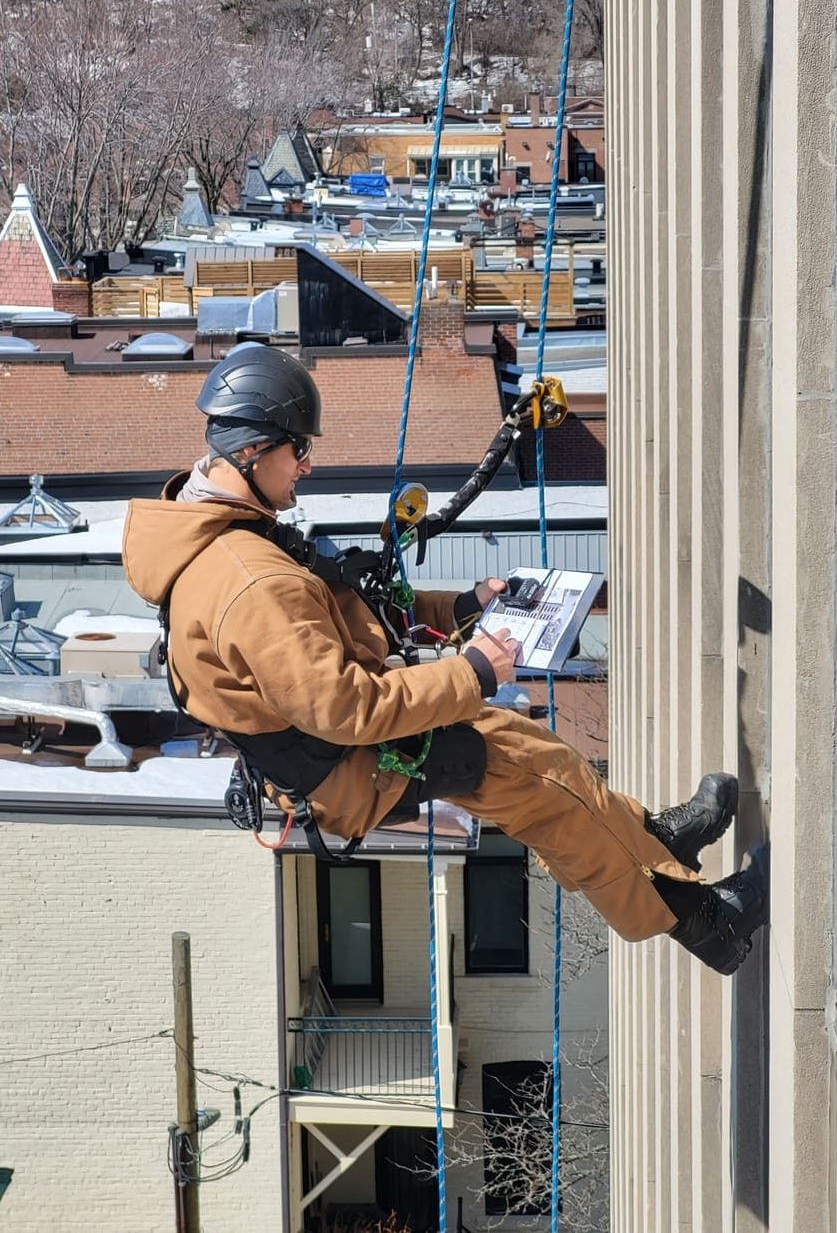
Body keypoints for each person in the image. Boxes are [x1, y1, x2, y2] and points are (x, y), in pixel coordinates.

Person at [122, 346, 770, 975]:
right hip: (352, 765)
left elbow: (350, 615)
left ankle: (654, 841)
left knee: (536, 753)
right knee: (533, 785)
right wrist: (475, 671)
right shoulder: (249, 580)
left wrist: (463, 604)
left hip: (348, 746)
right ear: (251, 452)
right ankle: (706, 923)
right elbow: (346, 708)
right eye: (299, 449)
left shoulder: (228, 536)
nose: (308, 467)